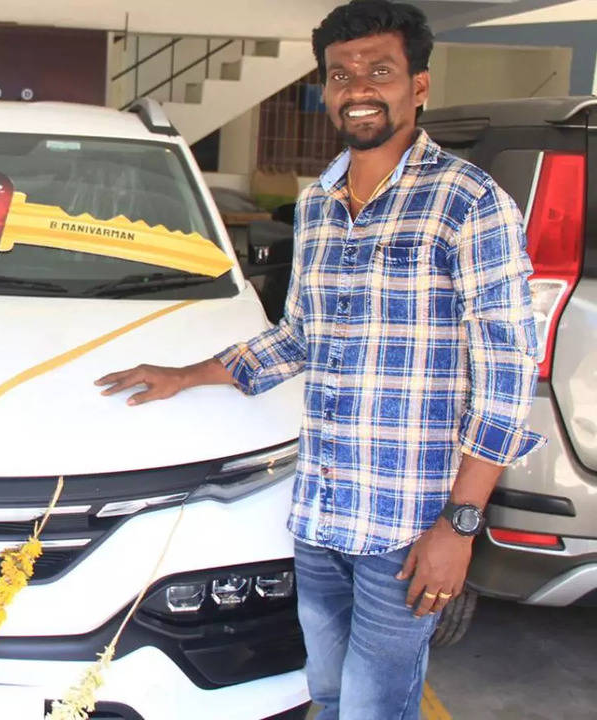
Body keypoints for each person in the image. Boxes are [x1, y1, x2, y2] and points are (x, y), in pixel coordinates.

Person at [95, 2, 541, 718]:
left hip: (407, 529)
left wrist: (459, 525)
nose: (359, 85)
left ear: (418, 86)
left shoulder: (469, 202)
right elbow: (302, 335)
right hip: (321, 519)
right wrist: (189, 374)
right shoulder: (320, 204)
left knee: (374, 706)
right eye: (342, 73)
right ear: (327, 89)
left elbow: (508, 374)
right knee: (326, 695)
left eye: (380, 70)